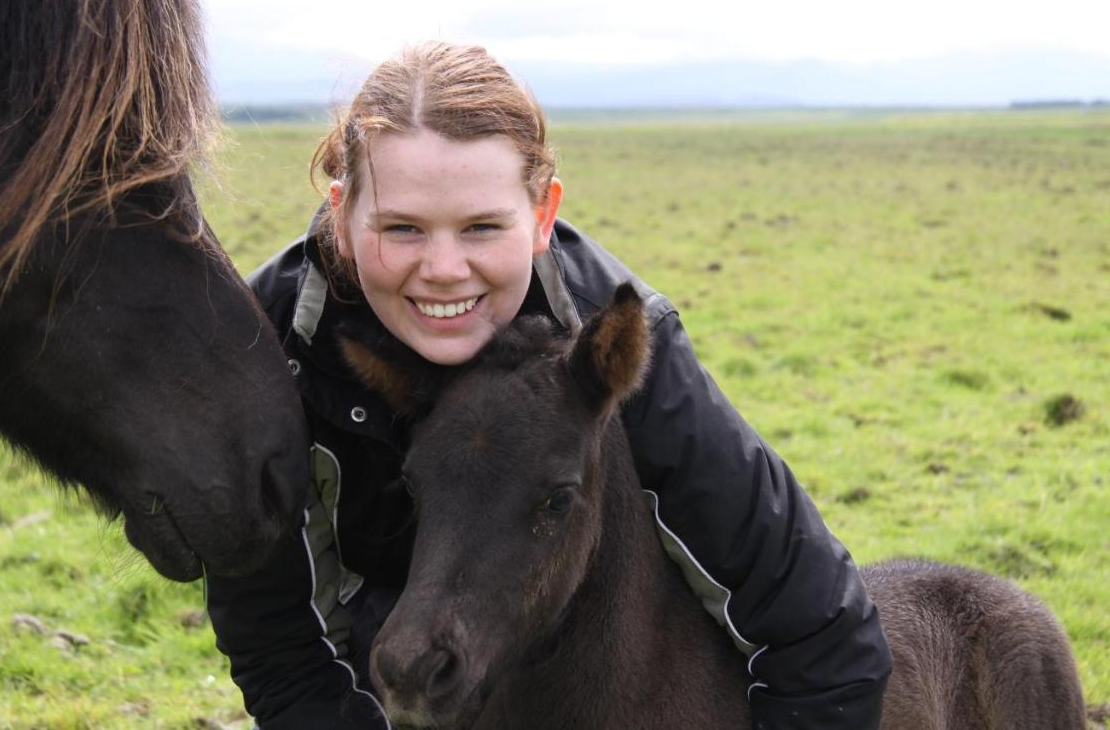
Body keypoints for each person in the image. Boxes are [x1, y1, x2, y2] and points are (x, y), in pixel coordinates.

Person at [206, 41, 891, 730]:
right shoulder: (264, 356)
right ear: (343, 217)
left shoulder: (616, 339)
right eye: (402, 227)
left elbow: (819, 628)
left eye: (481, 226)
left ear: (541, 214)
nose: (444, 268)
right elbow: (279, 645)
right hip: (391, 675)